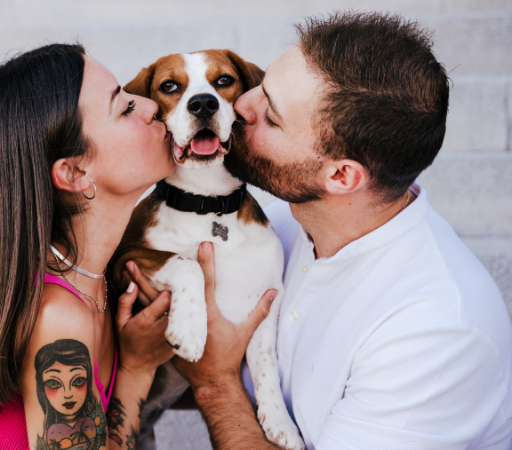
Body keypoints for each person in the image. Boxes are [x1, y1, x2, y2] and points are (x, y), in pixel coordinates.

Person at [126, 12, 512, 449]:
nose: (240, 107)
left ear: (341, 176)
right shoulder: (281, 226)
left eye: (271, 115)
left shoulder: (433, 336)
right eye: (260, 88)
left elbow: (217, 372)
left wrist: (214, 381)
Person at [0, 43, 178, 449]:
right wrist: (136, 371)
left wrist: (137, 365)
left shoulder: (96, 280)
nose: (151, 106)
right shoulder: (57, 318)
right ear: (74, 172)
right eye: (124, 108)